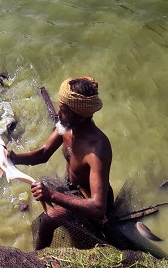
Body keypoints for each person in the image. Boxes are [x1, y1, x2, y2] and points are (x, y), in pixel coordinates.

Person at [7, 76, 114, 250]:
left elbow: (98, 207)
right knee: (44, 195)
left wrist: (52, 195)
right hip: (71, 186)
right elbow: (43, 153)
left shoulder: (97, 149)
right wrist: (15, 158)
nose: (57, 113)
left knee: (48, 220)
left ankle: (37, 258)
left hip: (87, 198)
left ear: (78, 115)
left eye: (62, 110)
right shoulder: (66, 128)